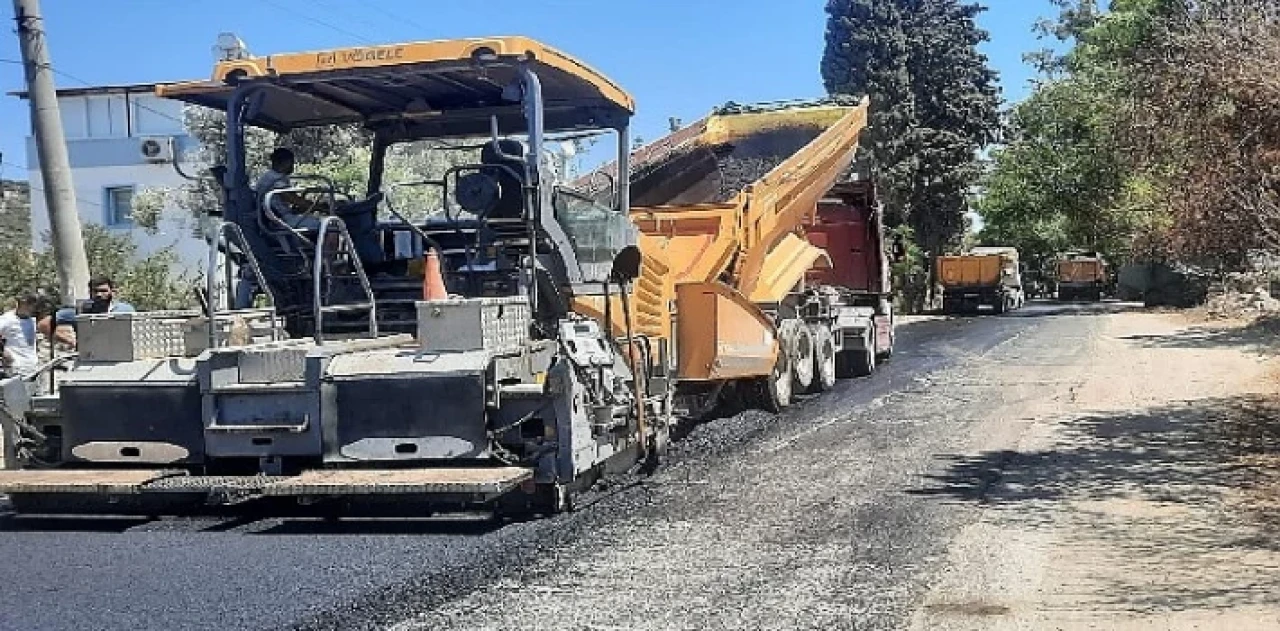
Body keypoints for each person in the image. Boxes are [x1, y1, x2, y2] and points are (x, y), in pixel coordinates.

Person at [40, 276, 136, 350]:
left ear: (112, 292)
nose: (99, 294)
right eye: (95, 291)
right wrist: (69, 340)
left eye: (103, 291)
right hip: (88, 359)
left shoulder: (125, 310)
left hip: (118, 357)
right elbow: (43, 324)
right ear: (90, 292)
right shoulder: (81, 311)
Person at [0, 294, 41, 380]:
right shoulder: (7, 319)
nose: (32, 309)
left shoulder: (32, 320)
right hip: (15, 368)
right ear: (22, 304)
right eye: (30, 305)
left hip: (32, 367)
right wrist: (2, 351)